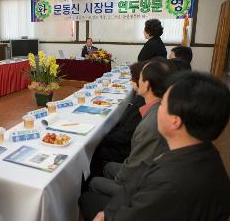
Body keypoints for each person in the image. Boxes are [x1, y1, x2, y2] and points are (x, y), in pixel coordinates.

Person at [79, 72, 230, 221]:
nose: (157, 108)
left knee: (87, 199)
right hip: (139, 197)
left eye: (162, 104)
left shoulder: (168, 183)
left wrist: (106, 216)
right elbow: (137, 181)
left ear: (175, 121)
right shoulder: (205, 151)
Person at [87, 58, 174, 198]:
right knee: (108, 167)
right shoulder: (159, 108)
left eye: (139, 77)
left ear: (146, 84)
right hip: (143, 169)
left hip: (140, 185)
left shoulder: (151, 122)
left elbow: (135, 164)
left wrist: (119, 180)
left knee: (93, 183)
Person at [89, 61, 146, 178]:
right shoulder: (143, 100)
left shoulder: (142, 102)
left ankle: (93, 179)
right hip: (126, 140)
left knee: (96, 149)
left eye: (132, 79)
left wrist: (102, 137)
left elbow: (126, 134)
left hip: (125, 149)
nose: (130, 82)